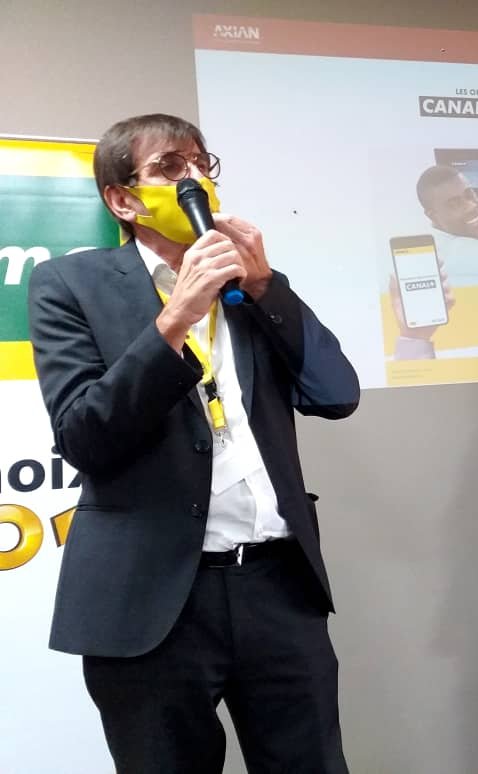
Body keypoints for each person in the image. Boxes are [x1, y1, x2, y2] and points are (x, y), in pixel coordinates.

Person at [28, 113, 359, 773]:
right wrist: (176, 317)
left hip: (276, 586)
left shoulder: (248, 289)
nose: (195, 181)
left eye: (203, 165)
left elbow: (335, 393)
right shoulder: (71, 286)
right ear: (123, 200)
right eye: (170, 168)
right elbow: (85, 434)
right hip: (151, 600)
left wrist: (265, 286)